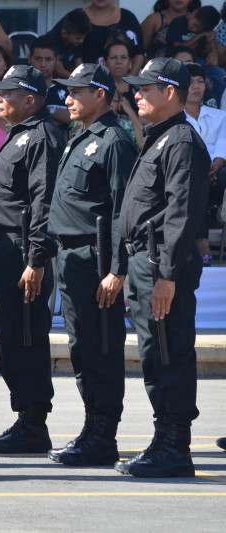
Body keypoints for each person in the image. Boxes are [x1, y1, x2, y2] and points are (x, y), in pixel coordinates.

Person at [114, 57, 209, 478]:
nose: (137, 94)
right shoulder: (161, 137)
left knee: (168, 353)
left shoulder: (181, 141)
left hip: (160, 265)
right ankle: (163, 439)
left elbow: (181, 215)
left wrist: (167, 276)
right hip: (146, 263)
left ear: (170, 92)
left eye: (145, 88)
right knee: (155, 353)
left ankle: (174, 446)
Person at [47, 64, 136, 467]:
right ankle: (91, 427)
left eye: (77, 92)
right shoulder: (79, 136)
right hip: (70, 257)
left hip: (94, 257)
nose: (68, 98)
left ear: (100, 94)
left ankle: (104, 435)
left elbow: (122, 210)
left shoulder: (114, 140)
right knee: (82, 346)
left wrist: (116, 270)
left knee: (100, 346)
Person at [0, 65, 64, 454]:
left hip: (21, 251)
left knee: (26, 334)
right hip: (4, 248)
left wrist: (37, 259)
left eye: (6, 93)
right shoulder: (21, 135)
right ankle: (24, 417)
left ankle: (33, 422)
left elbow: (44, 201)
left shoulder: (41, 137)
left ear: (29, 100)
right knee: (11, 334)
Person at [183, 62, 226, 267]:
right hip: (188, 174)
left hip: (218, 174)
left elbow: (222, 145)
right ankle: (202, 242)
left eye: (200, 81)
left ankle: (201, 242)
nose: (196, 86)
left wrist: (215, 166)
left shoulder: (220, 115)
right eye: (191, 82)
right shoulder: (175, 118)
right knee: (195, 177)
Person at [74, 0, 145, 75]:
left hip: (123, 80)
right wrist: (83, 80)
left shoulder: (128, 17)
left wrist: (128, 81)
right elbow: (68, 50)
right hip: (82, 80)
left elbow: (139, 53)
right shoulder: (76, 16)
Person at [103, 40, 146, 148]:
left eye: (123, 58)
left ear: (130, 62)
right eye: (113, 57)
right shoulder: (99, 91)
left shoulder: (141, 89)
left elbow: (150, 121)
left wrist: (130, 111)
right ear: (104, 63)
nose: (118, 62)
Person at [28, 36, 70, 127]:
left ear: (57, 59)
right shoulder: (22, 87)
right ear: (29, 58)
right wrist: (58, 116)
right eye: (38, 59)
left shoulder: (67, 87)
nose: (43, 64)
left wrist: (48, 110)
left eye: (48, 59)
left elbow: (74, 119)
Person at [46, 8, 91, 79]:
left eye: (83, 38)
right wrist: (79, 80)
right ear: (64, 33)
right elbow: (59, 71)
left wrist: (84, 76)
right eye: (78, 38)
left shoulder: (76, 42)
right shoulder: (52, 42)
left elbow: (79, 63)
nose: (81, 41)